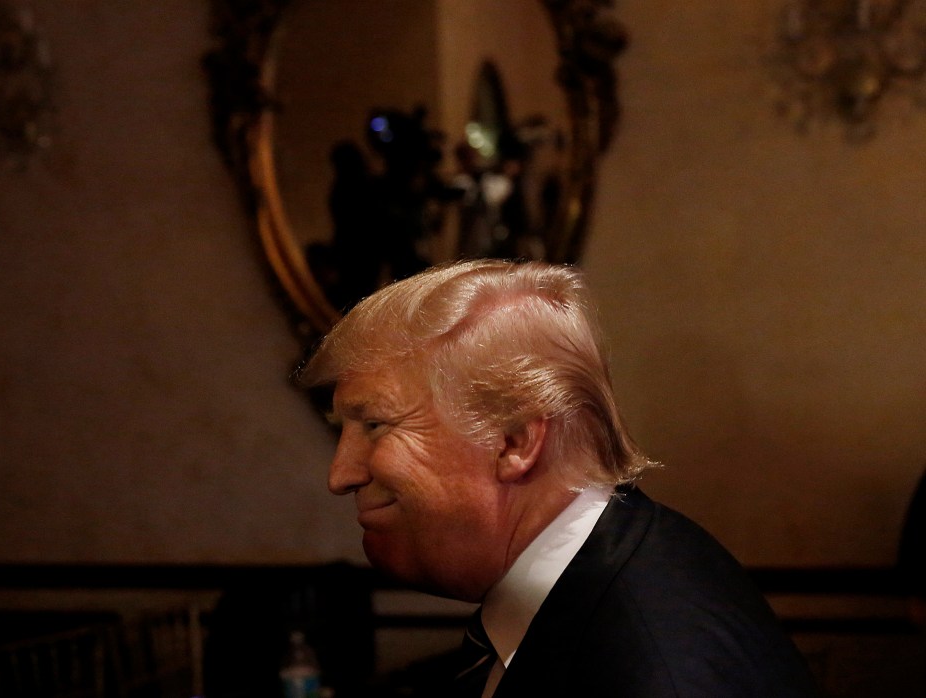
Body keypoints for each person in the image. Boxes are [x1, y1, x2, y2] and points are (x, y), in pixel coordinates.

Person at [299, 259, 817, 697]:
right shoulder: (622, 567)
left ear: (516, 441)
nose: (340, 475)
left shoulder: (647, 664)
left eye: (375, 425)